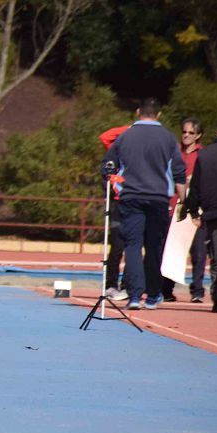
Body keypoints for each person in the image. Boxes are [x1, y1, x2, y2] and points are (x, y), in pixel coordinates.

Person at [101, 98, 186, 310]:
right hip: (158, 197)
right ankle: (153, 294)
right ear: (158, 115)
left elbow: (108, 167)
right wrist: (183, 200)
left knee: (132, 245)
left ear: (138, 112)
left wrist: (117, 187)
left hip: (131, 197)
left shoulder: (125, 137)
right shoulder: (168, 139)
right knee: (154, 246)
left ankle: (135, 295)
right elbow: (178, 172)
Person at [162, 117, 208, 302]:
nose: (186, 136)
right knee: (171, 249)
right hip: (174, 207)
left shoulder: (203, 155)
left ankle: (197, 291)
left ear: (198, 135)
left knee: (198, 252)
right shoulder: (174, 153)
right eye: (184, 132)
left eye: (191, 133)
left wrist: (192, 180)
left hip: (196, 208)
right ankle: (166, 290)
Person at [183, 122, 217, 314]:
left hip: (213, 213)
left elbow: (196, 186)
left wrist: (192, 210)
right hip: (214, 211)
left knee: (216, 257)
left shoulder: (205, 155)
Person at [98, 123, 130, 301]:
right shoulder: (116, 149)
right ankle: (111, 284)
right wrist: (131, 128)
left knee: (133, 247)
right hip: (118, 203)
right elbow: (105, 136)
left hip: (136, 201)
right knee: (116, 246)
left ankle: (128, 285)